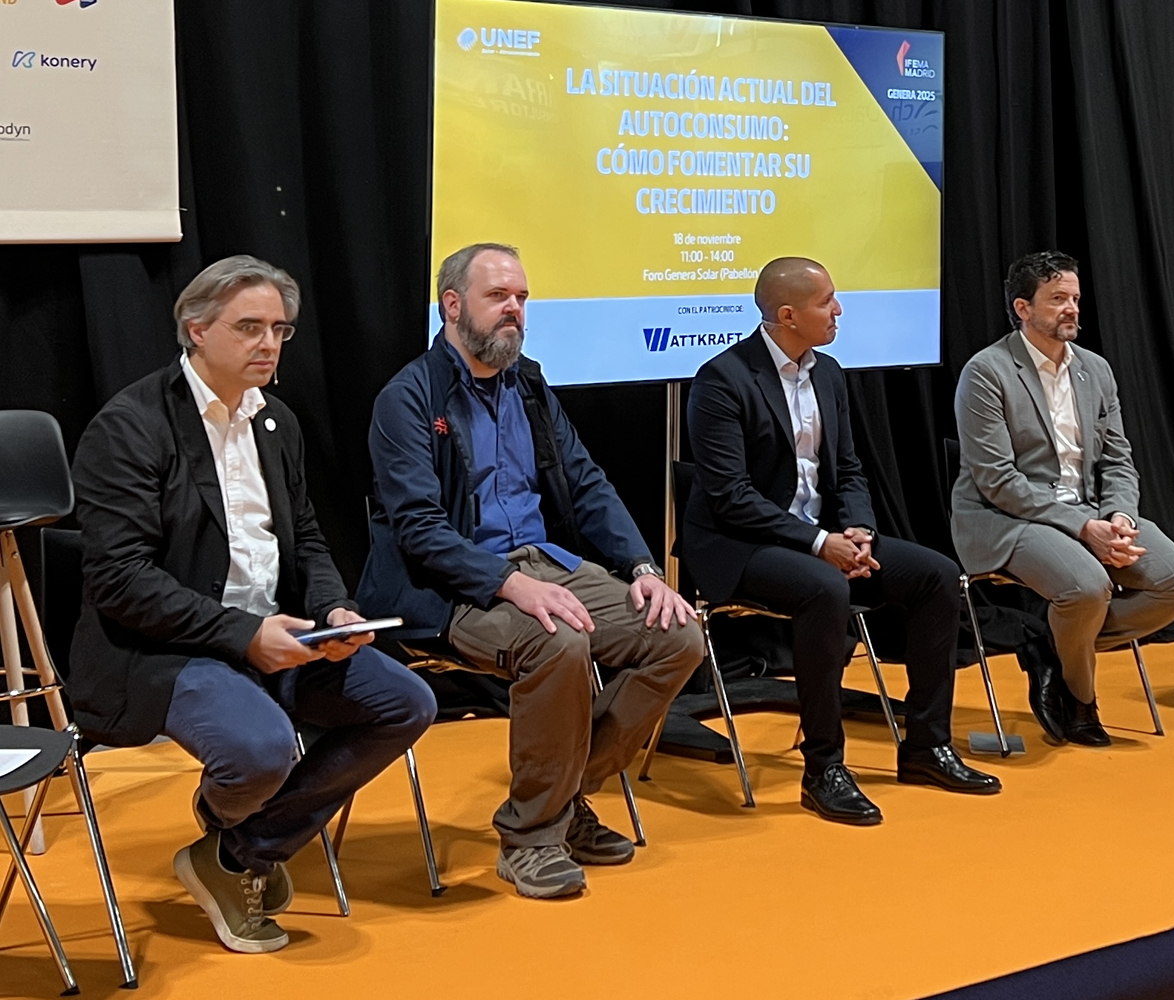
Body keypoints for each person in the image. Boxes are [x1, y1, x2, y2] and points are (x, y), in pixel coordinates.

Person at [68, 256, 437, 953]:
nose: (268, 343)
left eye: (280, 329)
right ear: (196, 329)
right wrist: (243, 635)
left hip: (280, 632)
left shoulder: (277, 423)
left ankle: (238, 850)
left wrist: (333, 611)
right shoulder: (130, 427)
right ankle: (239, 826)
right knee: (262, 748)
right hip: (163, 650)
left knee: (408, 702)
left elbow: (307, 536)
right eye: (249, 327)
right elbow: (121, 581)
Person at [359, 243, 703, 899]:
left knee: (677, 636)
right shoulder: (408, 398)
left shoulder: (531, 384)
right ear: (452, 305)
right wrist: (507, 583)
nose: (515, 309)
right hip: (451, 584)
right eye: (499, 297)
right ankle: (531, 840)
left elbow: (587, 481)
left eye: (521, 297)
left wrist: (641, 566)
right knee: (556, 641)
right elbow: (420, 529)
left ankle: (566, 800)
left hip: (547, 564)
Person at [684, 256, 1000, 826]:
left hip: (821, 536)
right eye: (826, 300)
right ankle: (823, 767)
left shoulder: (828, 373)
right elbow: (731, 497)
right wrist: (818, 542)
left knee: (934, 577)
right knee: (825, 589)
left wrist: (858, 529)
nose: (839, 310)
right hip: (738, 546)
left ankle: (927, 746)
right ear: (786, 315)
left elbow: (849, 470)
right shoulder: (721, 381)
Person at [951, 251, 1174, 746]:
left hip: (1091, 509)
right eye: (1058, 299)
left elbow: (1118, 459)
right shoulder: (987, 371)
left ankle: (1050, 646)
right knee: (1087, 589)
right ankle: (1081, 699)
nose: (1071, 309)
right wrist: (1084, 528)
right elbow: (998, 479)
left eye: (1075, 299)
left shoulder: (1095, 370)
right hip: (1006, 515)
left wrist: (1119, 516)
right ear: (1023, 308)